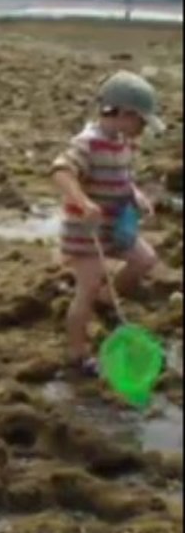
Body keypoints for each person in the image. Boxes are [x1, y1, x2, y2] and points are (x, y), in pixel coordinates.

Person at [50, 70, 165, 377]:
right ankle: (77, 354)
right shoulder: (88, 142)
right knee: (86, 288)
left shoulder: (122, 142)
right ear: (124, 114)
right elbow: (61, 171)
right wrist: (83, 202)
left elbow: (122, 177)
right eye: (142, 122)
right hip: (86, 233)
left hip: (115, 227)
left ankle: (105, 300)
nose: (143, 129)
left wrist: (135, 194)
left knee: (145, 260)